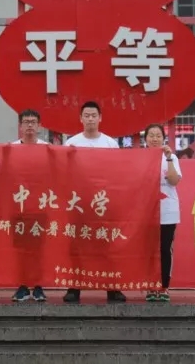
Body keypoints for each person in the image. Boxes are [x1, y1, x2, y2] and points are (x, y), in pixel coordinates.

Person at [63, 101, 126, 304]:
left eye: (93, 115)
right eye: (86, 115)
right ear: (80, 118)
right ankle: (74, 288)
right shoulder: (71, 143)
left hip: (104, 202)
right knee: (77, 246)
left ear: (100, 118)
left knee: (108, 246)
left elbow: (118, 172)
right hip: (79, 202)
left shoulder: (110, 143)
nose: (90, 119)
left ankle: (113, 288)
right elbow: (64, 171)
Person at [10, 109, 49, 303]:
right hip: (18, 207)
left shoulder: (48, 149)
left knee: (39, 249)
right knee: (20, 250)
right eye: (26, 122)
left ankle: (38, 286)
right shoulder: (11, 149)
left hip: (41, 207)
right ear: (20, 126)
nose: (30, 125)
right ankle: (23, 286)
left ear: (39, 126)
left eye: (33, 122)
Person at [143, 123, 182, 302]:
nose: (155, 139)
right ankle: (151, 286)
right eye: (151, 135)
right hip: (145, 212)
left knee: (165, 249)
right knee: (149, 250)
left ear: (163, 139)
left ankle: (164, 286)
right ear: (145, 139)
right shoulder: (140, 158)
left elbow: (174, 181)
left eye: (158, 135)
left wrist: (168, 159)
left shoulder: (171, 157)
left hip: (167, 211)